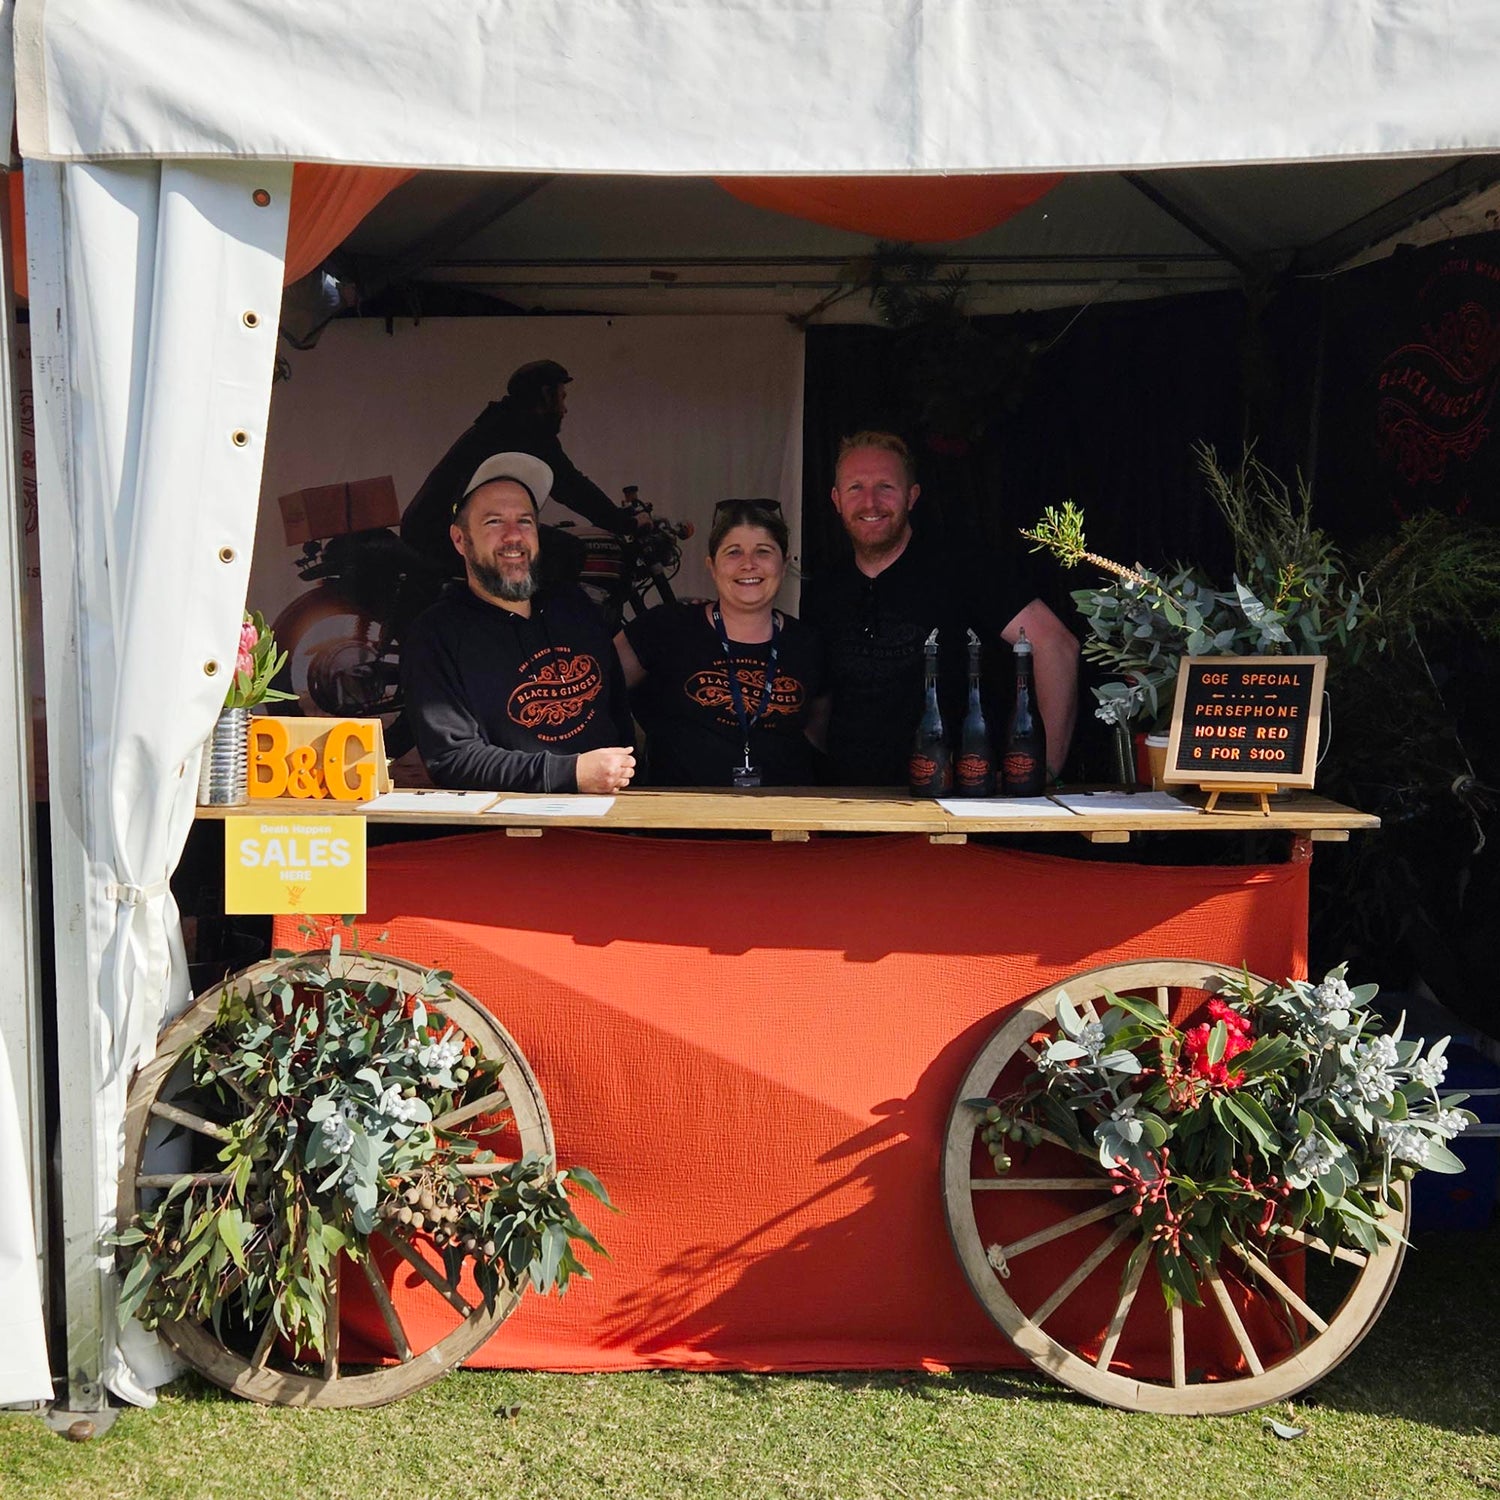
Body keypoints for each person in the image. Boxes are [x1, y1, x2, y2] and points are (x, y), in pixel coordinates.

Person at [801, 430, 1079, 787]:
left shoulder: (964, 567)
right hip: (852, 808)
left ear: (912, 496)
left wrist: (1044, 771)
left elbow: (1056, 646)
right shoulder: (824, 589)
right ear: (836, 499)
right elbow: (817, 708)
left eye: (886, 486)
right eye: (856, 488)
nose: (870, 503)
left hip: (951, 808)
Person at [402, 452, 638, 793]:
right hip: (509, 834)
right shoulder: (436, 634)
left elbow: (617, 716)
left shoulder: (575, 607)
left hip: (612, 822)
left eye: (525, 521)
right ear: (460, 539)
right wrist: (570, 773)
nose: (514, 536)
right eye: (494, 522)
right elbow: (452, 759)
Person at [614, 499, 826, 787]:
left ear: (784, 561)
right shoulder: (666, 627)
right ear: (712, 566)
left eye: (763, 551)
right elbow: (596, 688)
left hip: (782, 823)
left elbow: (821, 738)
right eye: (733, 552)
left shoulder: (808, 642)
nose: (748, 563)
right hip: (681, 824)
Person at [400, 359, 646, 577]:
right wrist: (624, 522)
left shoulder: (503, 422)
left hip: (433, 530)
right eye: (561, 398)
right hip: (440, 535)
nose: (564, 409)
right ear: (545, 395)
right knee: (567, 552)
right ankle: (537, 627)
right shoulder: (523, 430)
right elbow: (571, 486)